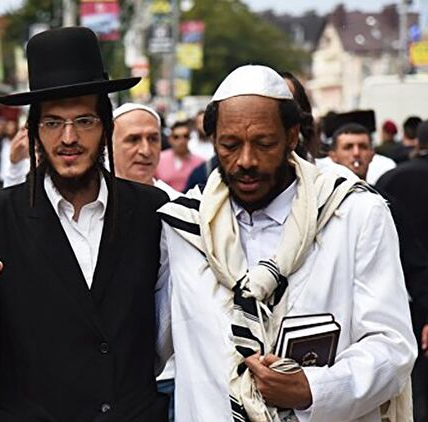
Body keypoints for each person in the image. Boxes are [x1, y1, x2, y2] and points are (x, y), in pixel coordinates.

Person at [158, 65, 415, 421]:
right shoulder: (184, 228)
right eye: (230, 145)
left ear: (292, 136)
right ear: (212, 140)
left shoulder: (353, 214)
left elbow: (393, 345)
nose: (246, 161)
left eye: (264, 144)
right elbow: (146, 342)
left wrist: (314, 389)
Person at [0, 27, 170, 421]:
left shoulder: (151, 212)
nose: (68, 138)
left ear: (105, 127)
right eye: (52, 123)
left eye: (84, 121)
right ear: (34, 131)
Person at [331, 122, 428, 421]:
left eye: (362, 147)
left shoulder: (383, 202)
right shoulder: (317, 208)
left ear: (373, 153)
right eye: (348, 147)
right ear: (333, 155)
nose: (356, 154)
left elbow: (414, 263)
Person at [111, 102, 177, 421]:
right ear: (108, 144)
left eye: (153, 139)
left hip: (173, 375)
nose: (145, 150)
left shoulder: (180, 209)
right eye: (133, 139)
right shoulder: (92, 209)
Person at [155, 120, 205, 192]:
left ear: (189, 138)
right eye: (176, 137)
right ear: (170, 139)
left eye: (185, 136)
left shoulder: (200, 162)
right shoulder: (158, 159)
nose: (181, 140)